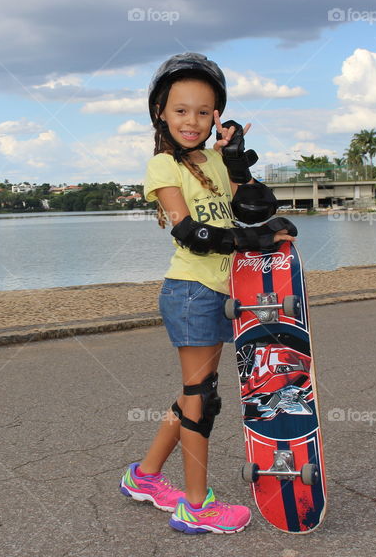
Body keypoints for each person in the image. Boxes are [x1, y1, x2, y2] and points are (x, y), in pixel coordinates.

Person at [118, 52, 293, 534]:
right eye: (181, 110)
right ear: (160, 112)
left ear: (216, 114)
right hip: (191, 292)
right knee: (202, 396)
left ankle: (144, 476)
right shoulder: (162, 166)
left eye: (202, 111)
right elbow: (189, 232)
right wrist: (250, 240)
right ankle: (197, 506)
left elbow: (256, 208)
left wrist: (236, 161)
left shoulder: (216, 160)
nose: (191, 121)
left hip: (221, 290)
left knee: (196, 393)